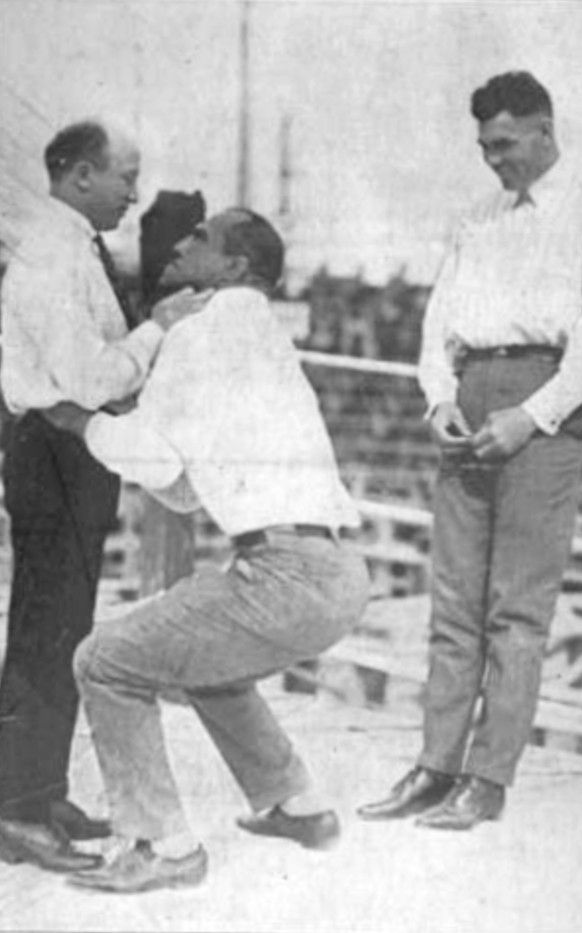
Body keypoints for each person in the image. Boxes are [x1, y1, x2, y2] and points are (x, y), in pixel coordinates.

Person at [41, 207, 369, 893]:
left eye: (200, 238)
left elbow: (156, 459)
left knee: (104, 660)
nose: (180, 244)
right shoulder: (262, 335)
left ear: (234, 267)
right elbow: (188, 488)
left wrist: (77, 419)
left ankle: (163, 845)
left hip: (283, 574)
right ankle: (298, 805)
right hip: (337, 572)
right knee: (203, 659)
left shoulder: (199, 330)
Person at [358, 72, 582, 830]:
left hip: (545, 401)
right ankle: (435, 765)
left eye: (506, 144)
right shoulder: (476, 218)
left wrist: (534, 415)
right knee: (454, 600)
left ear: (546, 131)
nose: (494, 160)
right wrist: (438, 398)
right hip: (472, 392)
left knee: (516, 608)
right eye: (485, 147)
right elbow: (437, 323)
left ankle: (487, 778)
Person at [0, 120, 197, 870]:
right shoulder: (52, 253)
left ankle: (38, 788)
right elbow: (88, 378)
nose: (133, 194)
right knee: (46, 625)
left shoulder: (73, 245)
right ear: (82, 174)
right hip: (54, 442)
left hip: (72, 448)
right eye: (126, 176)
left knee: (65, 623)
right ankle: (15, 807)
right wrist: (156, 330)